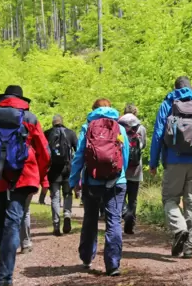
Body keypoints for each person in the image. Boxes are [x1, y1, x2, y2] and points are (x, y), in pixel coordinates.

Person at [0, 85, 50, 286]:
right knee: (12, 224)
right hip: (24, 178)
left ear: (3, 98)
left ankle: (4, 273)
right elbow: (45, 152)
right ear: (22, 100)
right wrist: (40, 176)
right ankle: (6, 276)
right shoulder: (30, 118)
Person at [149, 76, 192, 259]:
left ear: (175, 88)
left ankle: (179, 229)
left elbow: (158, 135)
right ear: (191, 87)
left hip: (173, 160)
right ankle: (189, 247)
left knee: (170, 200)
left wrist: (153, 162)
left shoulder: (167, 105)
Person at [69, 98, 129, 276]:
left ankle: (87, 257)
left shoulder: (87, 127)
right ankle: (113, 264)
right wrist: (120, 174)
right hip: (117, 181)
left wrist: (73, 182)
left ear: (93, 110)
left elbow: (79, 156)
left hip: (92, 182)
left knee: (90, 219)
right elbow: (125, 155)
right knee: (114, 221)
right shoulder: (120, 128)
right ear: (110, 109)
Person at [44, 114, 78, 236]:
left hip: (53, 170)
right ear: (62, 122)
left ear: (53, 123)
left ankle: (56, 225)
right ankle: (67, 215)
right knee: (68, 194)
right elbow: (78, 151)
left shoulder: (47, 133)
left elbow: (42, 152)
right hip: (68, 169)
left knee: (55, 197)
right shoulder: (71, 133)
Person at [119, 103, 147, 235]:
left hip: (122, 167)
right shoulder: (141, 128)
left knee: (121, 196)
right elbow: (143, 146)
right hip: (136, 168)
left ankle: (124, 214)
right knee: (133, 198)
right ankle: (130, 224)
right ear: (135, 113)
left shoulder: (119, 127)